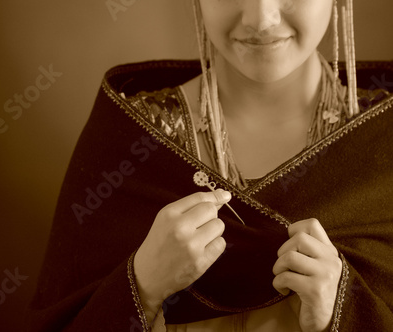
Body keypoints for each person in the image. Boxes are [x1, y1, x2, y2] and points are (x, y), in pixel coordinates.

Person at [30, 0, 393, 331]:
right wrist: (142, 285)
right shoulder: (128, 138)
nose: (260, 20)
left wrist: (345, 311)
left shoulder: (383, 138)